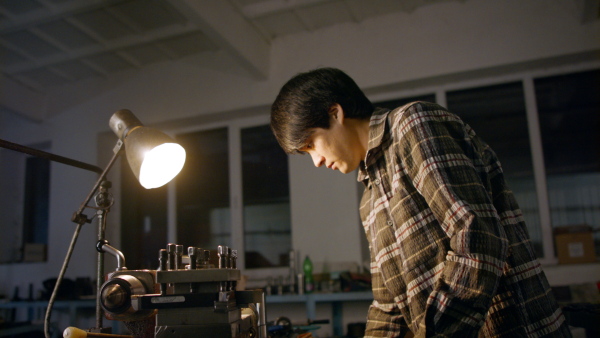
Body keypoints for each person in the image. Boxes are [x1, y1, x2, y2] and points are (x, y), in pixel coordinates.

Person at [270, 67, 571, 337]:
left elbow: (477, 237)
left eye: (312, 144)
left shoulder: (412, 124)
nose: (317, 161)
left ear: (335, 113)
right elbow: (388, 306)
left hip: (514, 327)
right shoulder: (370, 198)